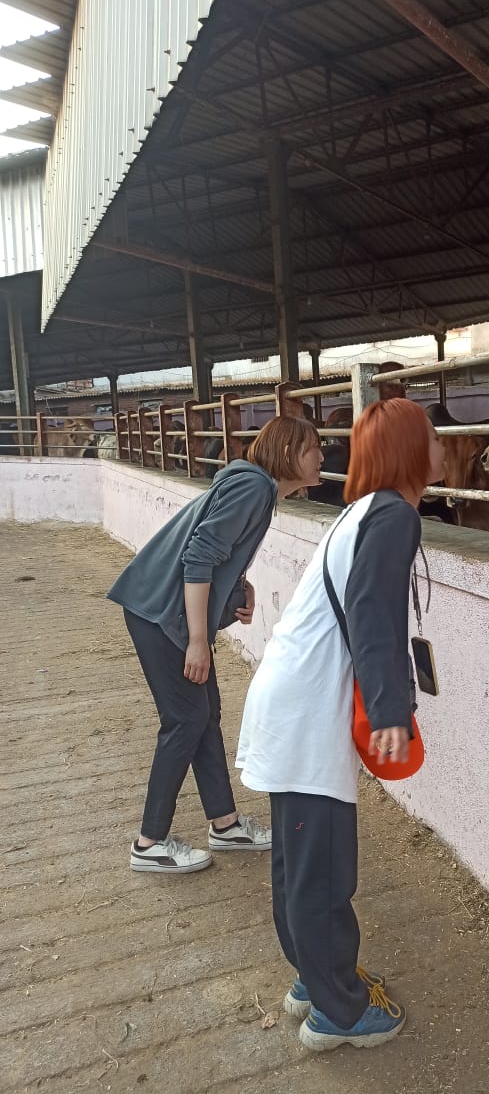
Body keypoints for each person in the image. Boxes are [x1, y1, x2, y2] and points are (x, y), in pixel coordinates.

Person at [236, 398, 445, 1051]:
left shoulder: (365, 512)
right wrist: (390, 708)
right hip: (304, 711)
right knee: (321, 868)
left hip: (293, 700)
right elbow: (371, 608)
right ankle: (341, 1013)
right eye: (433, 436)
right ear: (412, 451)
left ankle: (314, 979)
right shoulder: (390, 515)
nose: (443, 446)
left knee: (301, 862)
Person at [108, 415, 324, 874]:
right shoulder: (252, 488)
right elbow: (199, 556)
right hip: (160, 615)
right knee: (186, 718)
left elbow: (220, 550)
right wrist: (199, 642)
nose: (322, 457)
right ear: (288, 452)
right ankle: (149, 843)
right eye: (313, 449)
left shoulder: (257, 491)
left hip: (163, 611)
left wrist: (240, 585)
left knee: (205, 714)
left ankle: (225, 824)